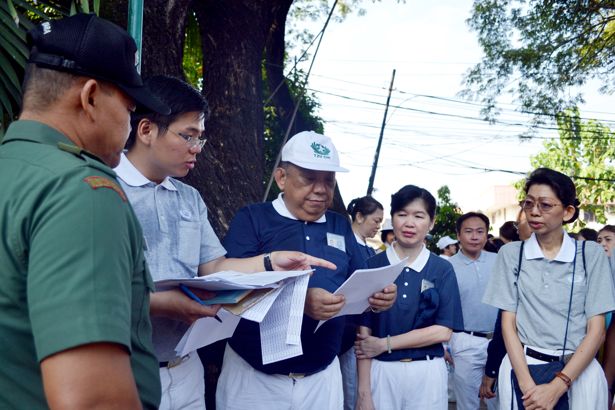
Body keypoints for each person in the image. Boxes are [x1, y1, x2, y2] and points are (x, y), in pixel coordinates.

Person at [115, 76, 336, 410]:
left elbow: (214, 267)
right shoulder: (104, 189)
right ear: (146, 130)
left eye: (200, 138)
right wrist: (166, 303)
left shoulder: (189, 198)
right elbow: (95, 290)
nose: (195, 148)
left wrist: (269, 262)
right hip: (125, 368)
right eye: (187, 136)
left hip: (186, 366)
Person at [0, 14, 172, 408]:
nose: (131, 126)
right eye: (130, 109)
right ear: (90, 96)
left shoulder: (14, 171)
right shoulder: (82, 192)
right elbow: (93, 399)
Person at [215, 131, 397, 410]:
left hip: (322, 378)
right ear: (281, 178)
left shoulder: (339, 225)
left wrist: (378, 296)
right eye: (310, 179)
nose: (321, 189)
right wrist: (300, 302)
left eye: (329, 180)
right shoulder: (253, 218)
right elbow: (229, 289)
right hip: (254, 378)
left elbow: (359, 280)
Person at [483, 167, 615, 410]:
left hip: (579, 373)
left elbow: (597, 331)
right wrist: (527, 387)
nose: (534, 212)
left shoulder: (591, 255)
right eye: (528, 203)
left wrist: (558, 386)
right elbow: (507, 325)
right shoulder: (511, 254)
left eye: (545, 205)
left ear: (568, 211)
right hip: (522, 369)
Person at [355, 185, 464, 410]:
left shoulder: (442, 269)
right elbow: (363, 338)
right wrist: (363, 393)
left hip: (427, 373)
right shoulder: (372, 265)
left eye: (419, 216)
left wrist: (385, 344)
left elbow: (443, 330)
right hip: (381, 371)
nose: (409, 223)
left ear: (431, 222)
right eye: (402, 214)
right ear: (392, 219)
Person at [479, 206, 533, 403]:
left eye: (521, 223)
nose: (518, 228)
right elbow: (505, 323)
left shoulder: (584, 258)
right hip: (520, 363)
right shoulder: (512, 257)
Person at [447, 212, 498, 410]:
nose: (474, 236)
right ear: (458, 235)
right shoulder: (447, 266)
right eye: (468, 231)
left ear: (487, 234)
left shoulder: (499, 260)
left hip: (499, 341)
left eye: (480, 231)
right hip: (464, 340)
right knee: (467, 403)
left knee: (499, 401)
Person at [340, 195, 384, 410]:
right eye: (376, 220)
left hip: (367, 323)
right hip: (348, 325)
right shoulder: (344, 245)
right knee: (348, 386)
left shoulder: (371, 249)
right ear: (359, 216)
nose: (378, 226)